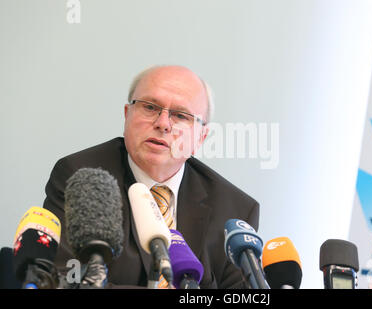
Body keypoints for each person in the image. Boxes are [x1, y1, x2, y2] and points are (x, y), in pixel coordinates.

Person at [43, 65, 260, 288]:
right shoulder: (81, 177)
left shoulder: (235, 210)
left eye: (180, 115)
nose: (163, 124)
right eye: (149, 107)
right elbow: (67, 280)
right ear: (127, 115)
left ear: (201, 138)